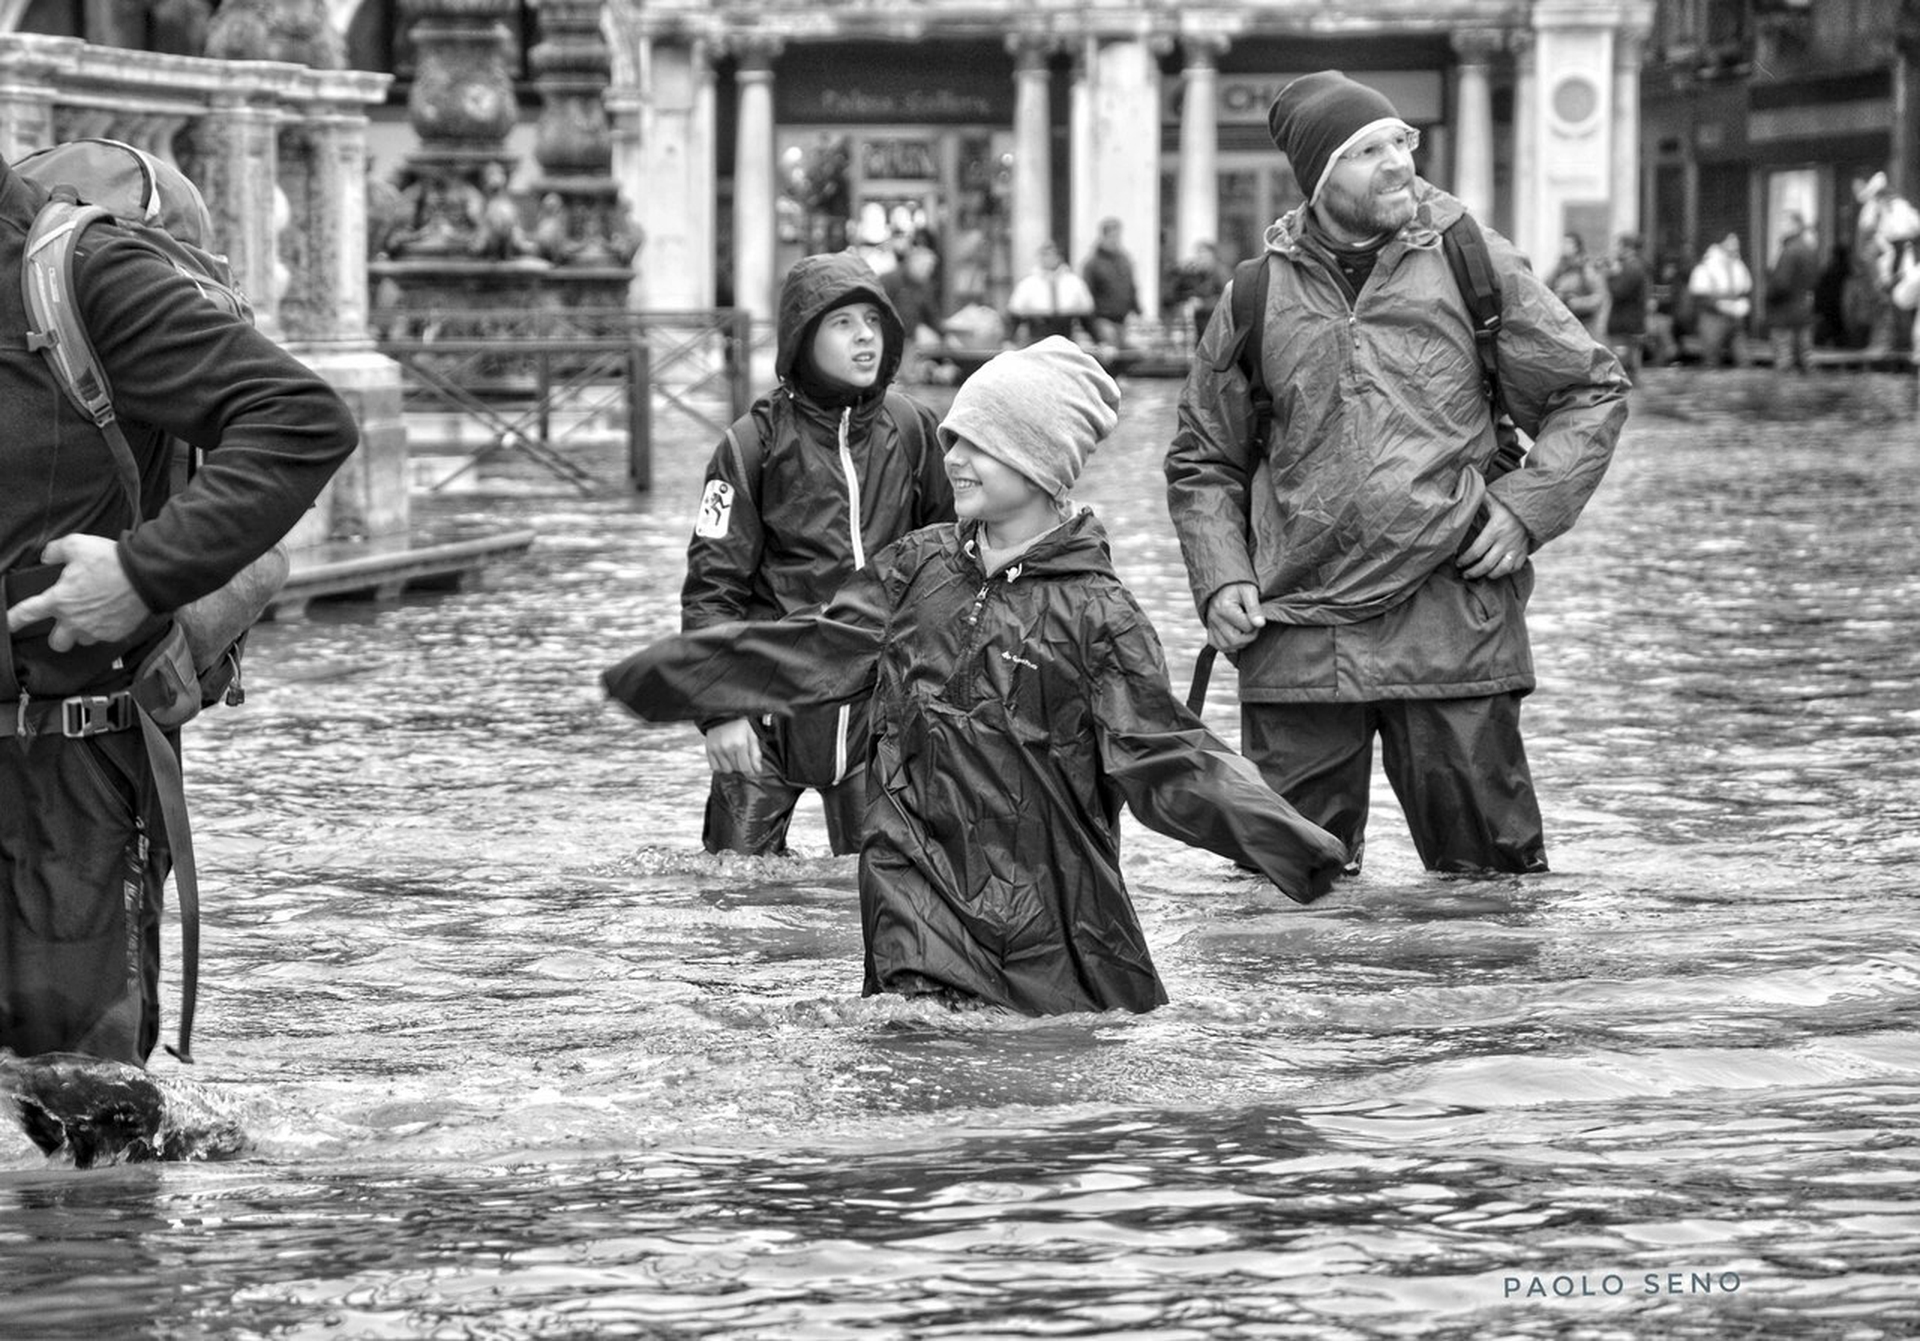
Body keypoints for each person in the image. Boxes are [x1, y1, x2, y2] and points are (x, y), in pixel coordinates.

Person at [607, 338, 1347, 1015]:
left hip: (1048, 928)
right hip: (913, 910)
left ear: (1039, 462)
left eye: (979, 444)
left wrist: (1286, 843)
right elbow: (809, 652)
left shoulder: (1100, 615)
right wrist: (684, 678)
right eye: (952, 436)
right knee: (910, 1085)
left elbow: (1168, 757)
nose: (952, 455)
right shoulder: (916, 568)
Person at [1164, 70, 1629, 878]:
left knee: (1491, 901)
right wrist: (1220, 576)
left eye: (1400, 141)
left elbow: (1589, 389)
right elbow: (1205, 459)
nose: (1397, 162)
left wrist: (1526, 510)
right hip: (1297, 640)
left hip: (1453, 625)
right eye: (1364, 149)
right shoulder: (1252, 294)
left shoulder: (1470, 259)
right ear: (1316, 178)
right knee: (1284, 911)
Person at [1, 150, 360, 1067]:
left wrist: (140, 573)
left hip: (67, 764)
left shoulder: (78, 270)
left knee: (84, 1112)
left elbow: (300, 418)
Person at [680, 250, 953, 859]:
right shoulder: (749, 446)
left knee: (880, 897)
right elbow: (711, 587)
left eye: (873, 321)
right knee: (732, 898)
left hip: (879, 714)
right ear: (803, 337)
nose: (864, 338)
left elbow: (950, 567)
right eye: (842, 323)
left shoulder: (914, 431)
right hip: (766, 714)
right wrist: (720, 711)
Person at [1006, 240, 1095, 346]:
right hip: (1036, 336)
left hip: (1066, 335)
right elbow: (1015, 314)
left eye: (1051, 255)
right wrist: (1008, 340)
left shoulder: (1074, 282)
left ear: (1059, 257)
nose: (1047, 259)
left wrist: (1097, 340)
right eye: (1044, 255)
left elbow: (1087, 314)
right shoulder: (1027, 284)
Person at [1765, 213, 1822, 373]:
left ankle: (1785, 395)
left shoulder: (1789, 251)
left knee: (1785, 362)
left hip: (1784, 313)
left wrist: (1769, 297)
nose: (1781, 228)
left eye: (1785, 224)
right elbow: (1814, 280)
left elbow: (1781, 283)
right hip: (1803, 311)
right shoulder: (1809, 249)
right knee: (1806, 359)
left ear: (1795, 226)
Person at [1688, 233, 1753, 368]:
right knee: (1711, 360)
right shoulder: (1706, 266)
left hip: (1734, 318)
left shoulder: (1738, 265)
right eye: (1731, 242)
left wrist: (1742, 304)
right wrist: (1719, 305)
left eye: (1736, 243)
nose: (1735, 246)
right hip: (1712, 318)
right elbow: (1699, 295)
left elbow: (1745, 289)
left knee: (1744, 359)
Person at [1081, 217, 1142, 347]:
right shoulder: (1092, 264)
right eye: (1112, 235)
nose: (1116, 239)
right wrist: (1091, 322)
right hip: (1102, 319)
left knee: (1127, 354)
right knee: (1110, 350)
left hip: (1123, 319)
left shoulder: (1125, 260)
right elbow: (1087, 294)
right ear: (1104, 236)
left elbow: (1131, 287)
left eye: (1118, 235)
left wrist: (1137, 310)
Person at [1602, 233, 1650, 374]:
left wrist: (1609, 276)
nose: (1615, 249)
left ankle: (1632, 394)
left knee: (1624, 369)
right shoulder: (1630, 267)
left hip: (1626, 327)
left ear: (1627, 248)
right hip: (1627, 325)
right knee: (1625, 367)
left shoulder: (1633, 268)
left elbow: (1619, 292)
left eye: (1618, 245)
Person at [1173, 239, 1233, 347]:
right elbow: (1180, 293)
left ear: (1212, 256)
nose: (1200, 259)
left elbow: (1227, 300)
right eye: (1198, 255)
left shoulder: (1221, 273)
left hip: (1217, 328)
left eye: (1203, 255)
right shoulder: (1199, 273)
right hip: (1201, 326)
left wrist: (1203, 304)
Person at [1547, 231, 1605, 337]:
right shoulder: (1559, 268)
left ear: (1577, 247)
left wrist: (1577, 303)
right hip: (1561, 325)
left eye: (1568, 243)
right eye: (1563, 243)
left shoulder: (1586, 269)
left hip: (1583, 325)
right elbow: (1546, 288)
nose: (1564, 247)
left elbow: (1599, 298)